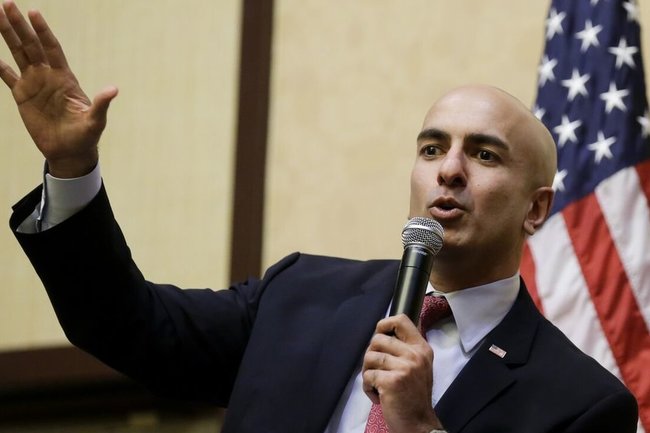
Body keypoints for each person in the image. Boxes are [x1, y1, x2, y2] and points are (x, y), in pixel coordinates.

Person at [1, 2, 639, 432]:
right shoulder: (299, 294)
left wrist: (420, 429)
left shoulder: (584, 404)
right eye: (431, 148)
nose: (448, 170)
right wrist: (72, 166)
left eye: (483, 154)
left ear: (536, 208)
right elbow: (125, 324)